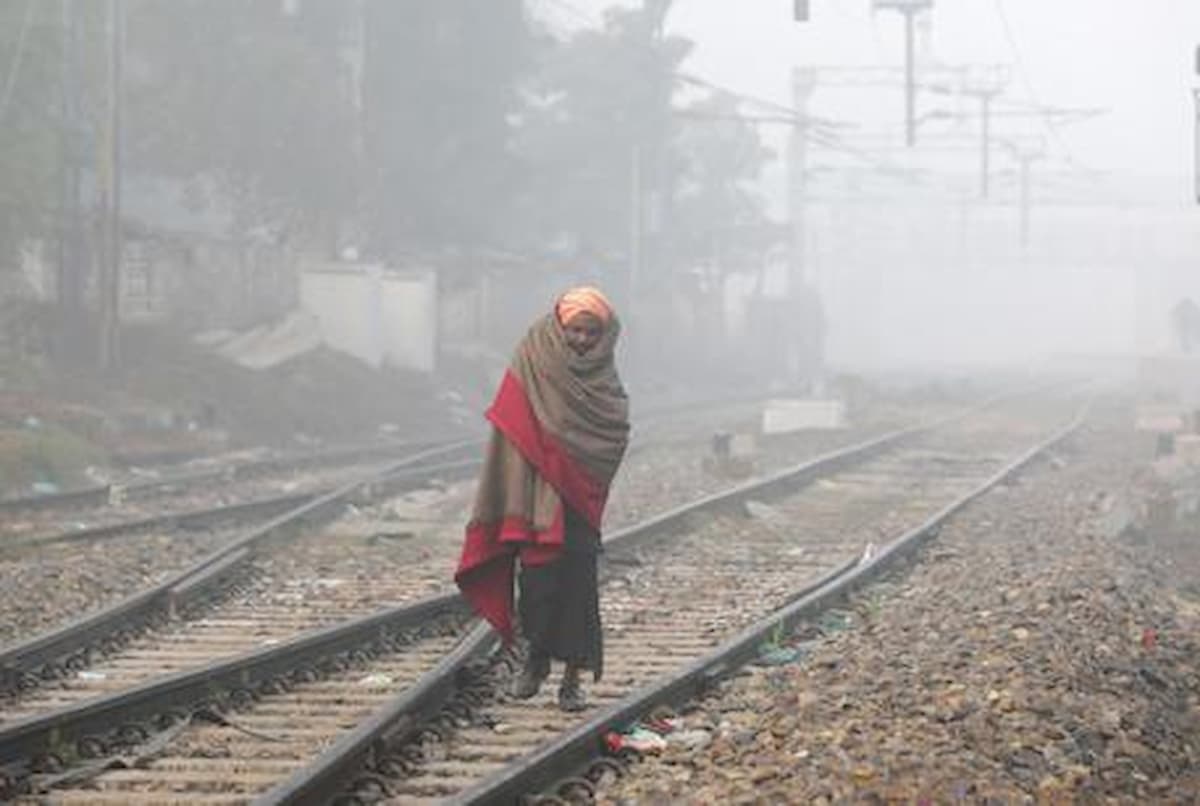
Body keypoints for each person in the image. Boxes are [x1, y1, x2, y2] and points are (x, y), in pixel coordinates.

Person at [454, 287, 630, 711]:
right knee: (537, 584)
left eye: (592, 332)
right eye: (576, 330)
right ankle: (536, 661)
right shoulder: (533, 360)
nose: (583, 340)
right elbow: (511, 423)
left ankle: (572, 679)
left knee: (579, 586)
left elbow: (613, 430)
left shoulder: (604, 378)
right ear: (559, 327)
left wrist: (573, 453)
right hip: (536, 495)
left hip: (580, 500)